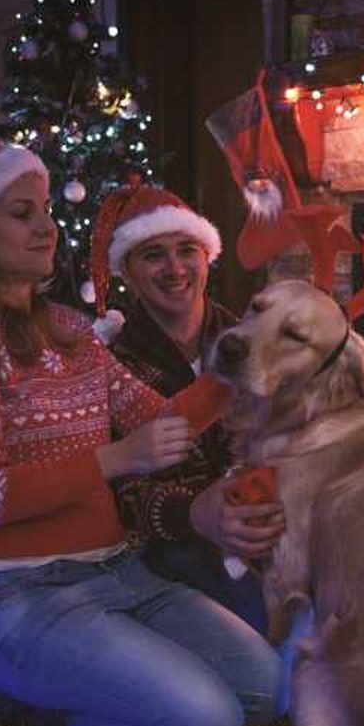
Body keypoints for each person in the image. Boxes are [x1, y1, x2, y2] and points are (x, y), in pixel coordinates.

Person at [0, 137, 281, 726]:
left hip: (119, 575)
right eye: (21, 214)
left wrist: (243, 358)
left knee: (268, 692)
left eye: (47, 210)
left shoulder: (72, 330)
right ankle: (10, 700)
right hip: (21, 598)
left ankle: (90, 677)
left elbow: (164, 420)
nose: (47, 228)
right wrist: (114, 460)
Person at [89, 185, 284, 634]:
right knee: (259, 627)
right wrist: (197, 511)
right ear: (129, 273)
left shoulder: (251, 339)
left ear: (206, 258)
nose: (175, 268)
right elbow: (118, 494)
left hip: (264, 518)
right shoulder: (110, 364)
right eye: (153, 255)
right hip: (173, 546)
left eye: (186, 250)